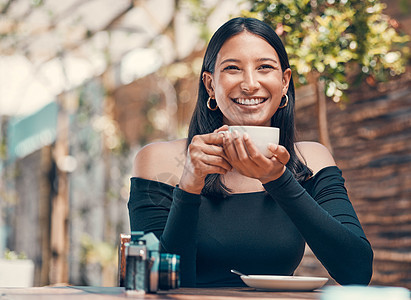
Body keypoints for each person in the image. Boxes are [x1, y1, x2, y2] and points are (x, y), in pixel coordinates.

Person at [128, 17, 373, 287]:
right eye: (232, 68)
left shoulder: (310, 160)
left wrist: (278, 180)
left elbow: (357, 272)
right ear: (210, 84)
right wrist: (189, 185)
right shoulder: (158, 160)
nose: (250, 84)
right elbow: (155, 285)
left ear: (284, 82)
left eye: (264, 67)